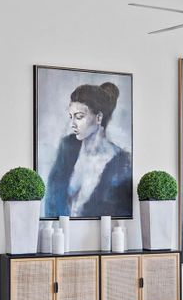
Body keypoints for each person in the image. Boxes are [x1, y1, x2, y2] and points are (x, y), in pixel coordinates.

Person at [44, 82, 132, 218]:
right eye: (71, 117)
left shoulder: (121, 162)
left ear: (98, 117)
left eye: (79, 117)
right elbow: (51, 200)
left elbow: (120, 211)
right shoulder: (68, 147)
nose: (73, 123)